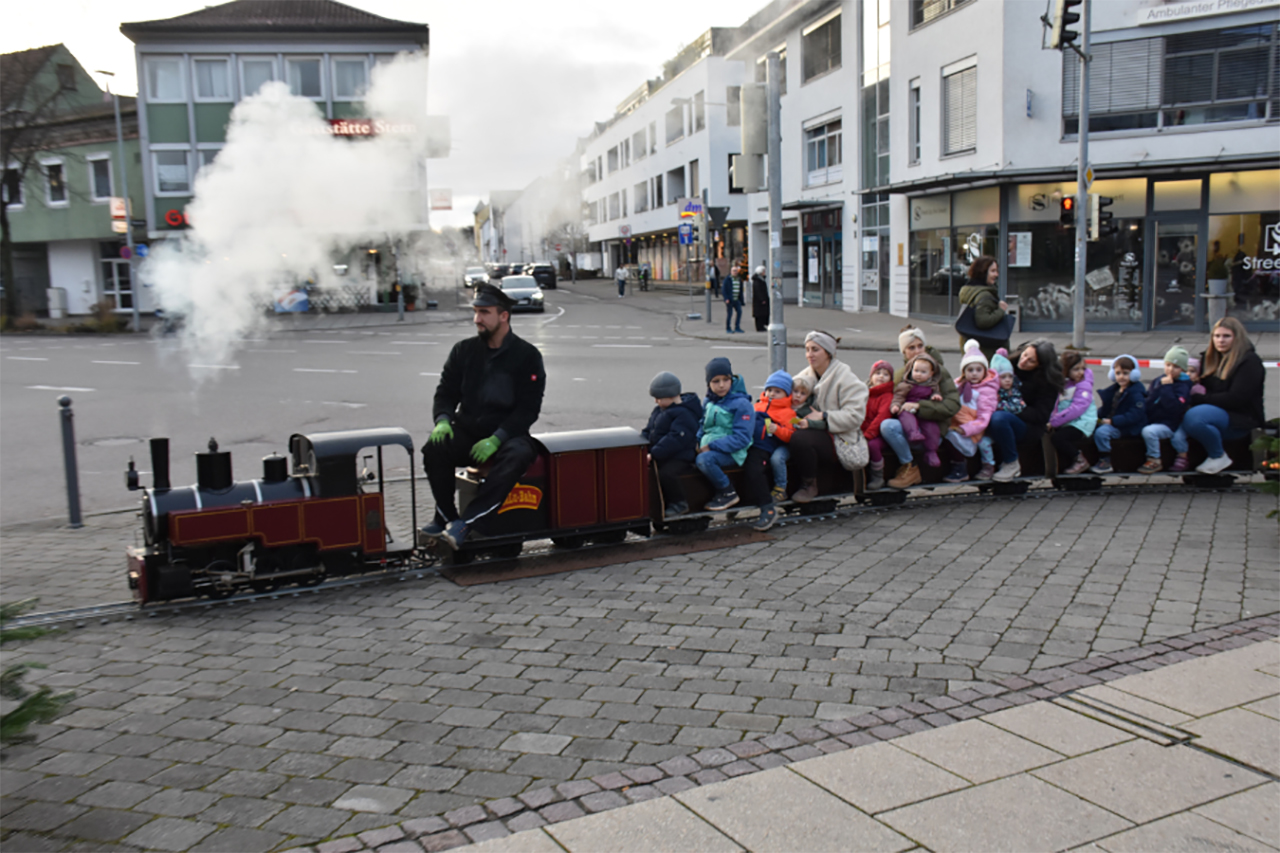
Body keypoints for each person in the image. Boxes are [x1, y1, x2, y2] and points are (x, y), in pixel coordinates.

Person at [421, 283, 546, 547]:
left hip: (507, 434)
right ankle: (446, 517)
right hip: (468, 430)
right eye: (476, 311)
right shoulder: (463, 351)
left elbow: (528, 409)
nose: (477, 319)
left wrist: (497, 438)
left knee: (519, 455)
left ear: (504, 316)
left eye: (484, 312)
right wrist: (442, 420)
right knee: (434, 448)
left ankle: (468, 523)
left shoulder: (527, 356)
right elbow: (445, 393)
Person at [791, 331, 869, 502]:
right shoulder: (805, 376)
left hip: (838, 436)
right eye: (807, 349)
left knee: (800, 439)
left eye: (815, 350)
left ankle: (810, 485)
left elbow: (855, 416)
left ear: (828, 352)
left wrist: (825, 416)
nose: (809, 354)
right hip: (812, 429)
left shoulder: (846, 377)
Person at [1182, 317, 1267, 475]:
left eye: (1226, 336)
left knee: (1195, 417)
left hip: (1240, 418)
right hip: (1215, 412)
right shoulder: (1209, 358)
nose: (1221, 340)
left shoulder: (1249, 362)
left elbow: (1236, 399)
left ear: (1237, 337)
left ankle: (1218, 455)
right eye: (1217, 336)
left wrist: (1199, 399)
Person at [881, 327, 961, 489]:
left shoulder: (938, 372)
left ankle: (923, 463)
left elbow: (953, 405)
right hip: (909, 430)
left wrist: (920, 406)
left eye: (920, 346)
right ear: (904, 352)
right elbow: (894, 402)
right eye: (911, 348)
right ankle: (910, 466)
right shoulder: (900, 375)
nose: (917, 351)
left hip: (932, 432)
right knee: (888, 426)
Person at [987, 340, 1064, 482]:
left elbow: (1041, 415)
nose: (1023, 361)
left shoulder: (1046, 383)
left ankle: (1012, 463)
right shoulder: (1008, 366)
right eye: (1024, 355)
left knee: (999, 418)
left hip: (1028, 426)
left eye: (1031, 361)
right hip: (1002, 411)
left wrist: (1014, 408)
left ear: (1039, 365)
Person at [695, 356, 755, 511]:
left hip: (733, 452)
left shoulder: (742, 404)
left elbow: (742, 438)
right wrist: (697, 441)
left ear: (731, 380)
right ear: (708, 383)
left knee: (704, 460)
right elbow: (703, 425)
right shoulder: (709, 401)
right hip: (708, 447)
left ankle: (727, 491)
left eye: (725, 380)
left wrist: (711, 446)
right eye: (716, 381)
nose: (721, 385)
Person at [642, 371, 702, 517]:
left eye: (658, 398)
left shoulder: (684, 414)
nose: (656, 402)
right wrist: (641, 444)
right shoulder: (659, 410)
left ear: (670, 396)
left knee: (667, 473)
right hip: (663, 453)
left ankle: (679, 503)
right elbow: (649, 430)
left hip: (681, 456)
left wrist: (654, 453)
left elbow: (675, 439)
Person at [943, 341, 999, 483]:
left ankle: (963, 468)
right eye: (970, 370)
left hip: (973, 430)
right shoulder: (959, 386)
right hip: (956, 424)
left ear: (984, 371)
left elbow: (984, 418)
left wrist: (965, 429)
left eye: (978, 370)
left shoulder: (986, 391)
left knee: (951, 436)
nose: (974, 373)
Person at [1139, 346, 1193, 474]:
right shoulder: (1158, 380)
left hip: (1169, 424)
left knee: (1149, 432)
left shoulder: (1183, 386)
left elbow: (1174, 408)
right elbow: (1150, 400)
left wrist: (1167, 387)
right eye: (1168, 365)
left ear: (1183, 369)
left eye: (1176, 367)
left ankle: (1154, 459)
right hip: (1154, 419)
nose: (1170, 370)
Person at [1090, 356, 1147, 474]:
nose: (1121, 376)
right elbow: (1107, 408)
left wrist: (1113, 421)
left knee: (1102, 432)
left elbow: (1135, 414)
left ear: (1134, 374)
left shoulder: (1136, 393)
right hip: (1115, 422)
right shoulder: (1115, 390)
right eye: (1118, 373)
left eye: (1125, 373)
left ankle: (1105, 459)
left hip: (1127, 427)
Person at [889, 352, 945, 469]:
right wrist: (896, 405)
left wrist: (936, 396)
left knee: (932, 428)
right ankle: (913, 433)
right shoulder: (906, 385)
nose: (918, 374)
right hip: (907, 409)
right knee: (907, 418)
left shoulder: (933, 386)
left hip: (923, 411)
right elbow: (898, 397)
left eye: (923, 372)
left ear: (931, 374)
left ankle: (931, 452)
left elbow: (936, 394)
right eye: (916, 371)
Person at [752, 371, 798, 503]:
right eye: (769, 390)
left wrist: (778, 429)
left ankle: (781, 488)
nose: (772, 394)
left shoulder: (789, 413)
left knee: (777, 459)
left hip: (781, 445)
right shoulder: (758, 406)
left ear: (786, 394)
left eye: (777, 391)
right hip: (762, 444)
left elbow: (792, 434)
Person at [1049, 350, 1097, 475]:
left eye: (1082, 368)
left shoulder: (1084, 385)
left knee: (1059, 438)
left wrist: (1054, 422)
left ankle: (1080, 460)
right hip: (1069, 421)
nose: (1081, 372)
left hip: (1083, 422)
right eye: (1076, 369)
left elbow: (1077, 408)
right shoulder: (1065, 383)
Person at [957, 255, 1010, 360]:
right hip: (986, 349)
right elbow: (983, 320)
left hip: (971, 345)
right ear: (983, 272)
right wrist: (1001, 310)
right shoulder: (985, 295)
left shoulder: (969, 290)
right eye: (993, 271)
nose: (996, 274)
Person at [862, 360, 895, 491]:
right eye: (877, 373)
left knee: (873, 446)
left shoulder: (887, 396)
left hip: (879, 434)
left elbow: (882, 417)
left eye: (885, 374)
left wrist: (869, 434)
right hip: (864, 431)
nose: (881, 376)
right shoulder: (865, 393)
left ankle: (877, 476)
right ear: (871, 377)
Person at [723, 265, 745, 334]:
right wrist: (726, 298)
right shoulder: (728, 279)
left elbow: (740, 290)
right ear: (731, 272)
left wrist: (742, 300)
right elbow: (724, 290)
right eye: (734, 271)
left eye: (736, 271)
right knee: (730, 314)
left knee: (739, 312)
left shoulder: (739, 280)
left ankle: (737, 327)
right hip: (730, 299)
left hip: (737, 299)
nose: (735, 272)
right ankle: (728, 328)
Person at [751, 266, 770, 332]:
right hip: (759, 301)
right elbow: (758, 291)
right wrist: (762, 299)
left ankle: (762, 325)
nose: (764, 273)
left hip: (762, 300)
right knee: (759, 314)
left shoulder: (761, 280)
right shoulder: (757, 281)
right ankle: (760, 327)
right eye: (763, 271)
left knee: (763, 313)